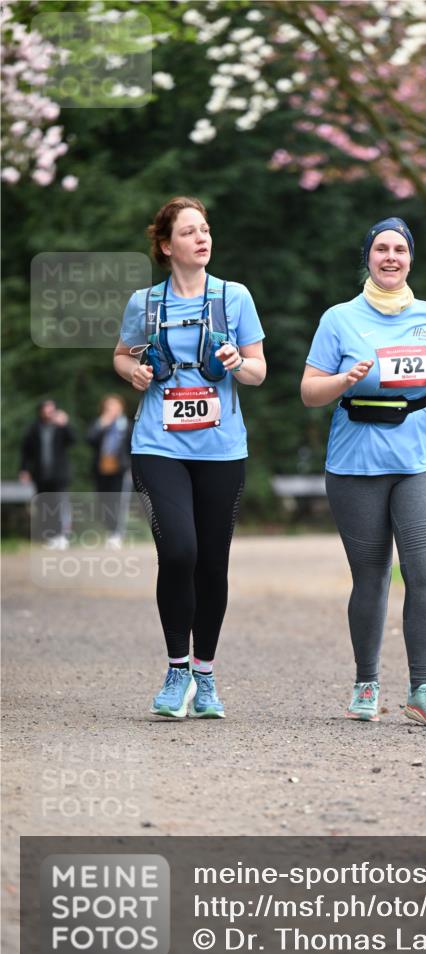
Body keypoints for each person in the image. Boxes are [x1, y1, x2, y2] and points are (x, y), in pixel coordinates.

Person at [301, 217, 426, 727]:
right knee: (371, 575)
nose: (391, 257)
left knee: (424, 571)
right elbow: (309, 391)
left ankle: (422, 689)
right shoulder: (339, 319)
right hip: (357, 460)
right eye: (381, 249)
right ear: (368, 257)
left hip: (420, 457)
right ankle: (366, 682)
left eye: (400, 250)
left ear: (410, 258)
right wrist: (343, 380)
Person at [113, 196, 267, 717]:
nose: (202, 238)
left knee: (212, 562)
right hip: (158, 445)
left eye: (205, 230)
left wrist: (237, 361)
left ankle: (205, 676)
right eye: (188, 232)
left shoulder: (234, 297)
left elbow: (258, 371)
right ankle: (176, 669)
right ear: (165, 245)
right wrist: (134, 372)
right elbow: (121, 356)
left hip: (221, 449)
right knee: (179, 551)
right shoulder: (144, 304)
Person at [19, 399, 75, 548]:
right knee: (45, 505)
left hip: (59, 474)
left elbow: (73, 440)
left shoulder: (60, 427)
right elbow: (26, 452)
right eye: (45, 409)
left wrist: (65, 424)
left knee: (60, 504)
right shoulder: (34, 429)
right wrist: (24, 469)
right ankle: (53, 536)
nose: (48, 413)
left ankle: (64, 535)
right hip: (41, 475)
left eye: (51, 410)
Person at [86, 394, 132, 548]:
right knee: (103, 501)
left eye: (114, 405)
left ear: (121, 407)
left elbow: (133, 447)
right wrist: (102, 425)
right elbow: (90, 440)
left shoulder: (127, 425)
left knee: (119, 501)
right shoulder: (100, 424)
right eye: (108, 406)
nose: (111, 409)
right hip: (102, 468)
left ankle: (117, 533)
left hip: (121, 469)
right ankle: (110, 530)